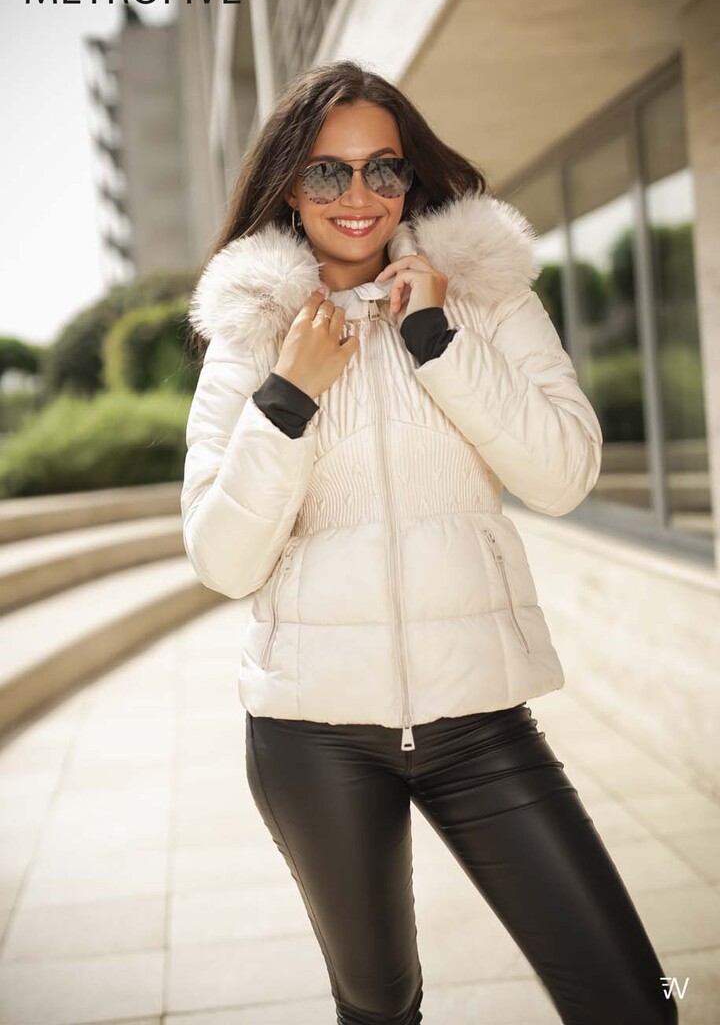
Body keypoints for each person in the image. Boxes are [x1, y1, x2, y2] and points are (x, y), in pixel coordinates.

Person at [181, 60, 678, 1025]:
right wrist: (289, 396)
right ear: (290, 185)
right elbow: (223, 560)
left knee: (633, 999)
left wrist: (442, 342)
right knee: (381, 1010)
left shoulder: (486, 297)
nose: (358, 195)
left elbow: (563, 475)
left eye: (383, 168)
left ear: (410, 178)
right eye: (328, 172)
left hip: (482, 724)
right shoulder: (252, 334)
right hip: (313, 738)